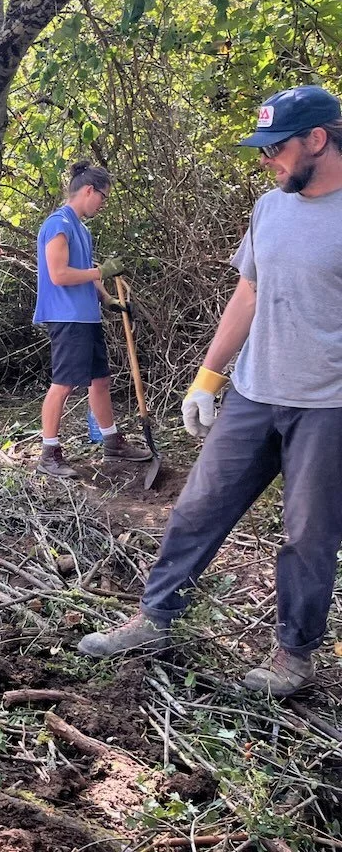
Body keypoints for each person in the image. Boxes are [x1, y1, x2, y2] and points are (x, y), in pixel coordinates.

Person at [78, 85, 342, 698]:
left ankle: (294, 656)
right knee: (198, 508)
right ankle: (154, 619)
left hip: (328, 406)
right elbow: (248, 292)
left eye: (275, 148)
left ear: (317, 139)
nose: (266, 161)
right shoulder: (270, 208)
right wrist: (208, 376)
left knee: (308, 534)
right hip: (254, 392)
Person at [33, 160, 152, 477]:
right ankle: (48, 453)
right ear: (89, 190)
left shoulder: (82, 230)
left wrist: (108, 299)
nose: (103, 203)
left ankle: (112, 442)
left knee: (100, 380)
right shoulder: (58, 224)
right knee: (64, 384)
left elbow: (86, 272)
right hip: (67, 317)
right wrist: (101, 272)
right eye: (103, 197)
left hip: (87, 316)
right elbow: (59, 275)